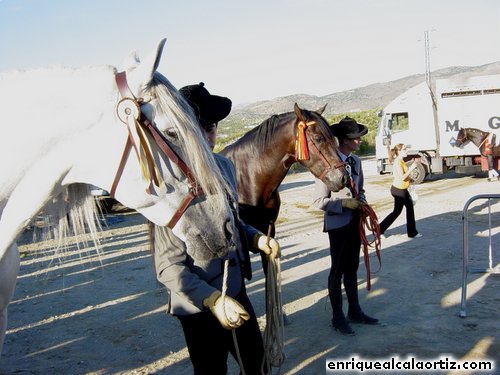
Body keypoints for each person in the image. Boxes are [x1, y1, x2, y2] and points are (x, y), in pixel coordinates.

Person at [153, 82, 278, 374]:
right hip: (198, 304)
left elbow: (232, 222)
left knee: (258, 365)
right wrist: (211, 299)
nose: (210, 135)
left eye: (213, 127)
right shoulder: (166, 184)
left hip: (235, 289)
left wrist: (256, 239)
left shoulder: (224, 166)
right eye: (202, 127)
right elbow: (168, 267)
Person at [313, 117, 378, 336]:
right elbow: (319, 202)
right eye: (354, 137)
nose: (359, 140)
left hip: (354, 223)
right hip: (338, 225)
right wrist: (343, 204)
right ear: (344, 140)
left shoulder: (356, 162)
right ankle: (337, 317)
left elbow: (360, 189)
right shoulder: (327, 165)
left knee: (352, 269)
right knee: (337, 272)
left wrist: (363, 203)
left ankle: (355, 311)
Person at [378, 143, 421, 238]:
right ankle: (379, 229)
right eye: (404, 149)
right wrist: (411, 169)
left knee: (409, 208)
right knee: (397, 212)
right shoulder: (398, 162)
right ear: (399, 151)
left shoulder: (401, 161)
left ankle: (412, 232)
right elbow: (402, 177)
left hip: (402, 189)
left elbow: (404, 176)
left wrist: (410, 179)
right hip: (398, 190)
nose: (406, 151)